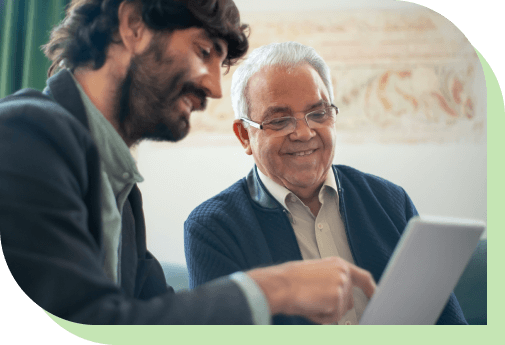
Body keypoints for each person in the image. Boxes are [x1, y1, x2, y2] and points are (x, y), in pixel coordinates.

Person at [0, 0, 376, 325]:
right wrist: (279, 287)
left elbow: (158, 315)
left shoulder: (121, 190)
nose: (214, 87)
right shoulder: (24, 135)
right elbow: (89, 322)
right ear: (133, 26)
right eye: (203, 51)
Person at [184, 41, 468, 325]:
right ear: (245, 136)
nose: (304, 133)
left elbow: (451, 327)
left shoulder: (391, 201)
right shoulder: (212, 228)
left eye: (318, 114)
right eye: (280, 120)